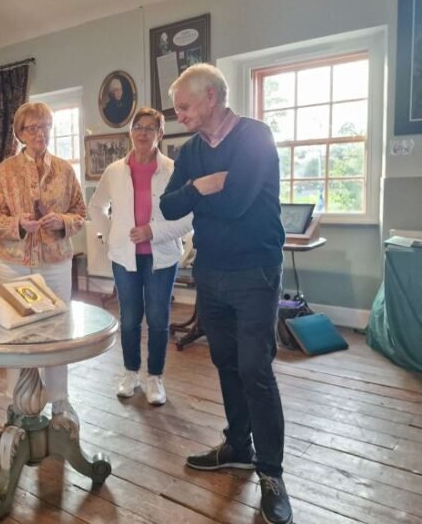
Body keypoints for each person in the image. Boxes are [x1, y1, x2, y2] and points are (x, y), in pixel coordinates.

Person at [159, 63, 292, 524]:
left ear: (212, 97)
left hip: (255, 269)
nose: (179, 115)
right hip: (210, 272)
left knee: (256, 369)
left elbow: (238, 203)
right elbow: (168, 204)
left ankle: (271, 474)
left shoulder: (256, 137)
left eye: (185, 106)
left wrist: (202, 196)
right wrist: (201, 186)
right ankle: (238, 445)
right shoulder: (192, 152)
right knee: (225, 361)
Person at [0, 101, 86, 423]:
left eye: (45, 127)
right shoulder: (5, 170)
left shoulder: (65, 169)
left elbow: (81, 213)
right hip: (14, 262)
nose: (40, 133)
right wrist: (17, 225)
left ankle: (59, 400)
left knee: (57, 331)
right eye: (32, 128)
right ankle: (19, 401)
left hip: (55, 262)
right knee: (16, 333)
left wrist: (62, 222)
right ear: (19, 133)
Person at [88, 107, 192, 405]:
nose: (143, 133)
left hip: (162, 257)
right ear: (130, 132)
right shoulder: (115, 171)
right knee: (130, 317)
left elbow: (188, 218)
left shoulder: (173, 170)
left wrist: (153, 231)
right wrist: (112, 235)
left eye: (150, 128)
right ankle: (131, 373)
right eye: (138, 127)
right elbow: (96, 207)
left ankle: (155, 377)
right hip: (125, 258)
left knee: (158, 318)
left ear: (161, 134)